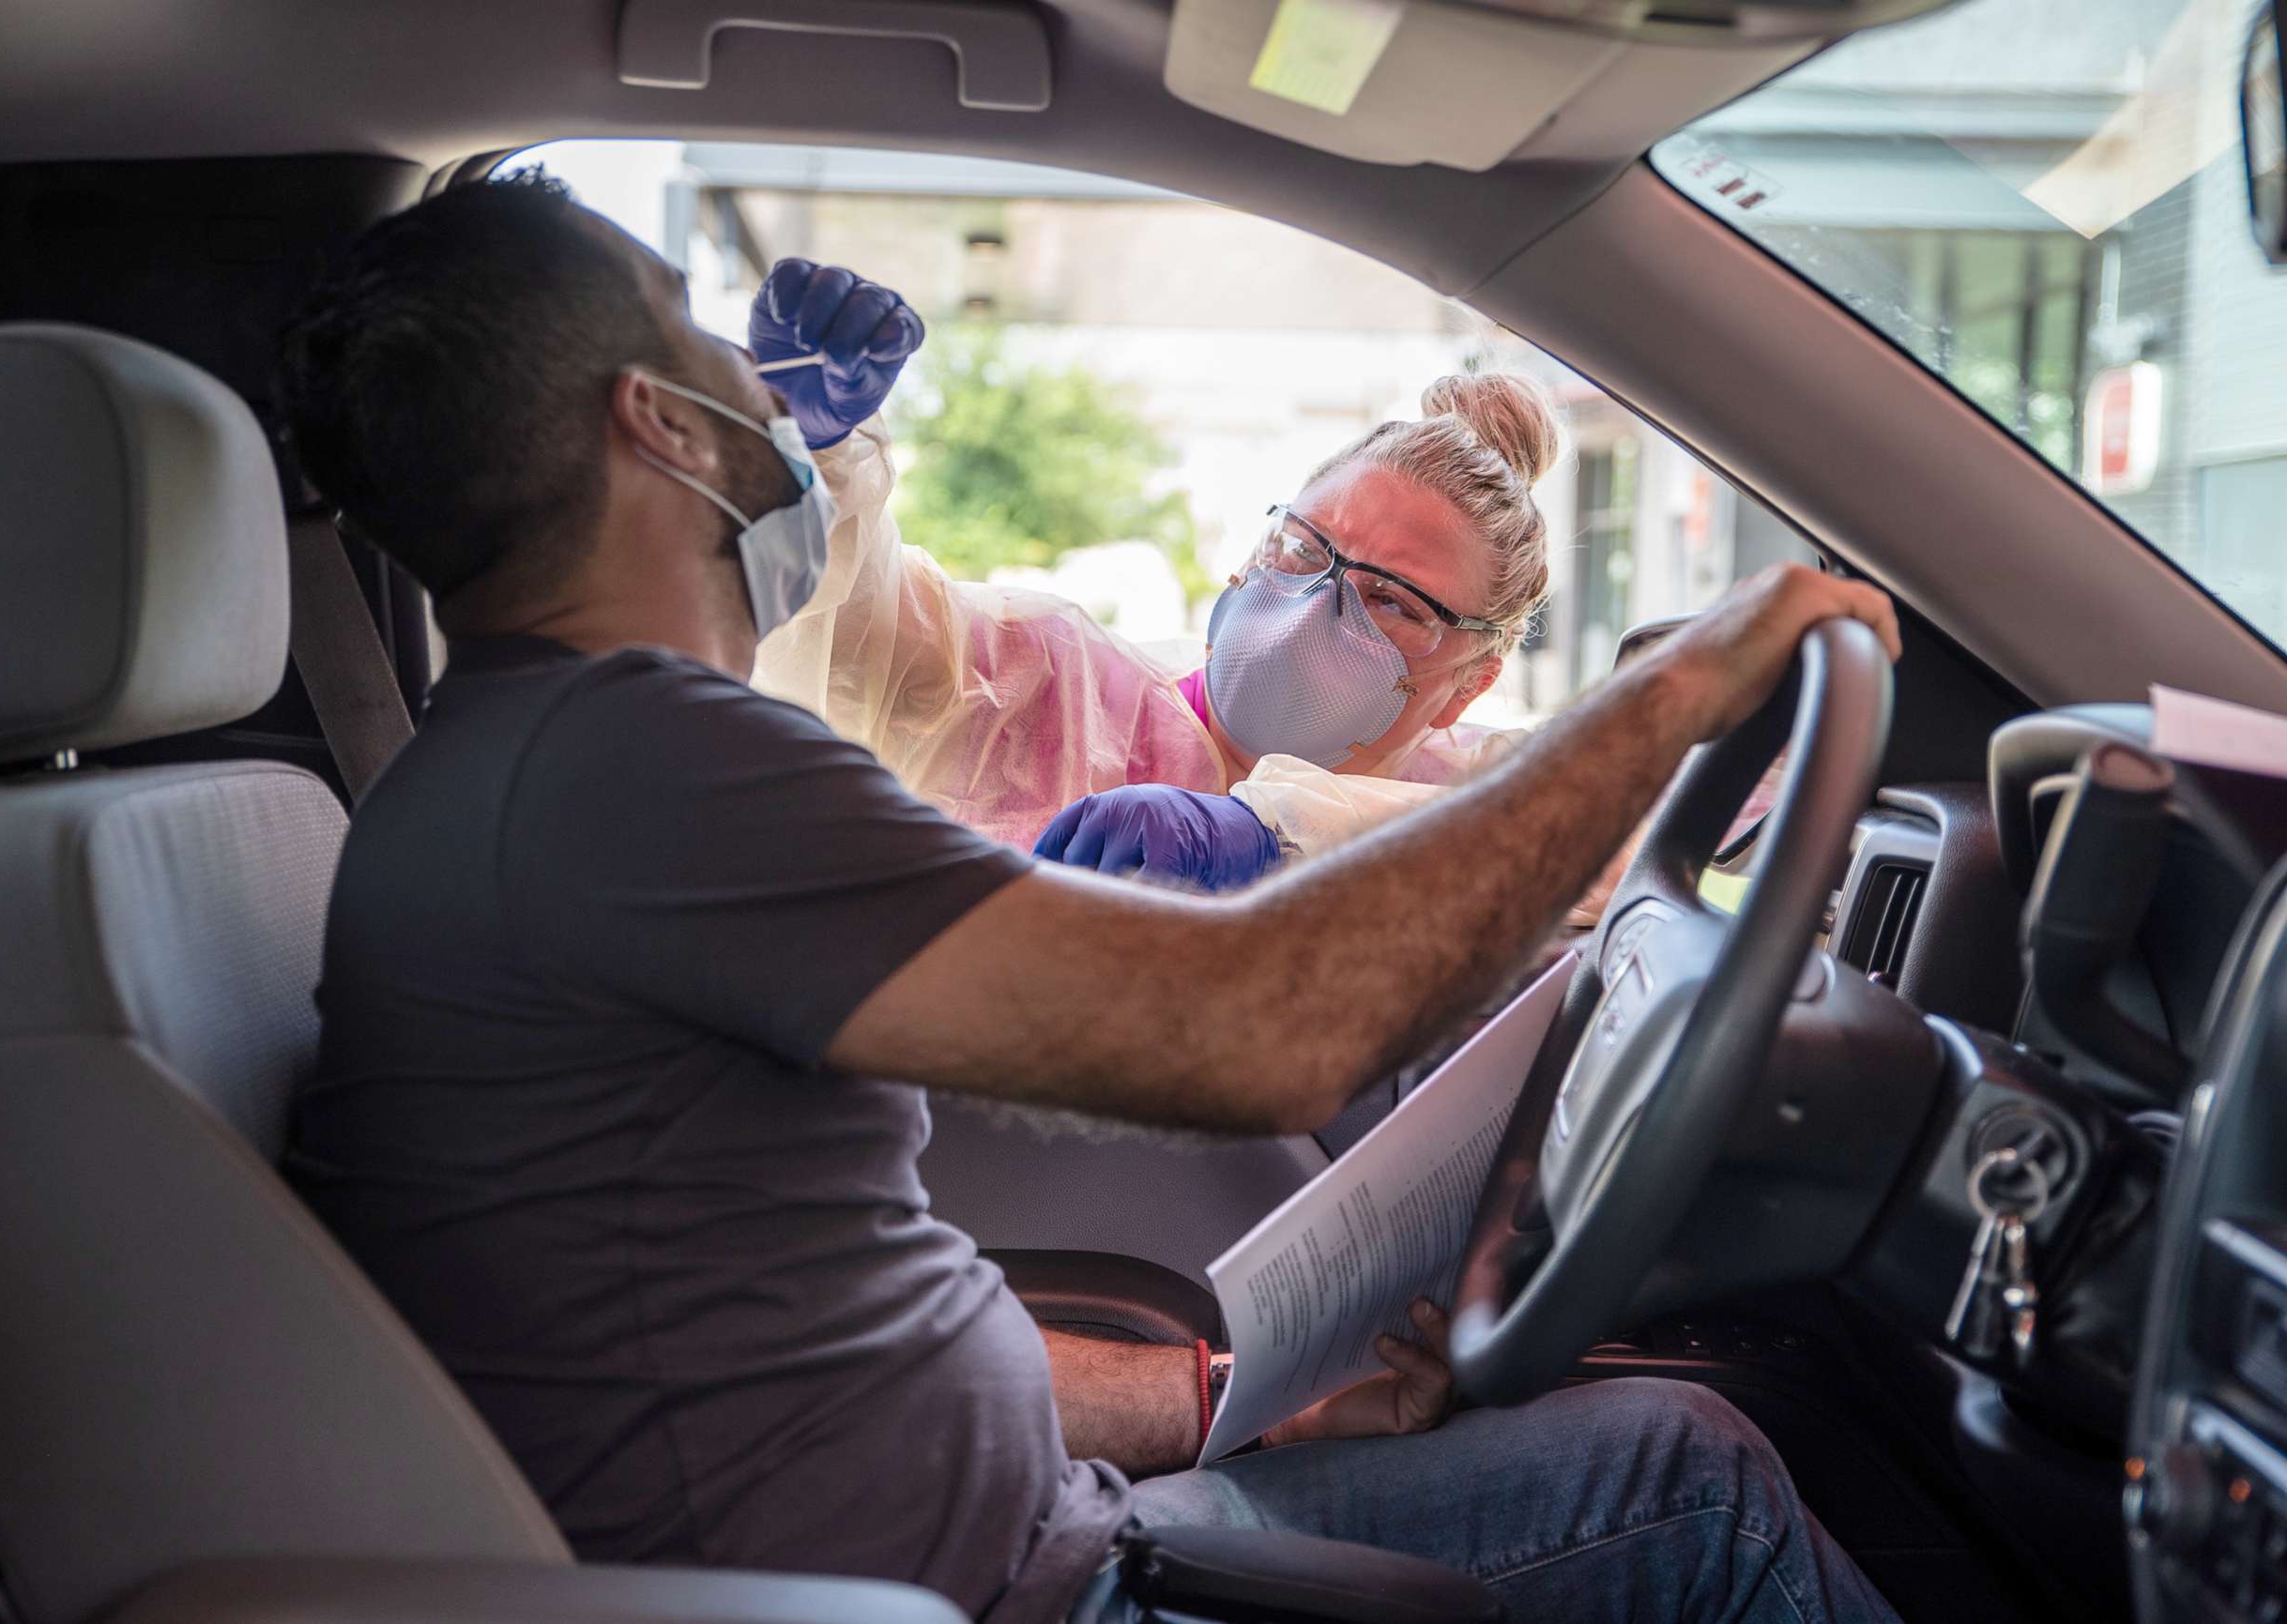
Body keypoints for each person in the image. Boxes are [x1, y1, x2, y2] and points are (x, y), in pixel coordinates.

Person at [274, 173, 1906, 1624]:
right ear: (660, 423)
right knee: (1689, 1489)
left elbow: (825, 1331)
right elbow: (1268, 1031)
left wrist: (1215, 1402)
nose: (755, 389)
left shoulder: (552, 759)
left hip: (1018, 1531)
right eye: (700, 345)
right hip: (991, 1587)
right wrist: (1660, 705)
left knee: (1663, 1450)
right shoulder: (643, 764)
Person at [744, 258, 1548, 893]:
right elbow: (842, 632)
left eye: (1389, 602)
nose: (1312, 609)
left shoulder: (1484, 800)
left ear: (1472, 680)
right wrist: (814, 455)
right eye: (1305, 548)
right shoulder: (1050, 686)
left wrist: (1280, 834)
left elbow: (1614, 838)